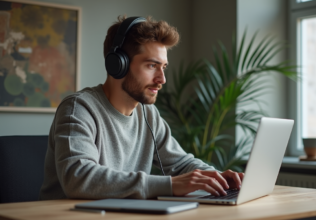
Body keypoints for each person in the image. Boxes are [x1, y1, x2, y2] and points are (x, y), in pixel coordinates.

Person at [39, 15, 244, 200]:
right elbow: (79, 178)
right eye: (152, 65)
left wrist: (217, 177)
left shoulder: (148, 114)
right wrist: (170, 185)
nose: (162, 79)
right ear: (118, 64)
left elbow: (180, 164)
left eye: (163, 67)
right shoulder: (79, 108)